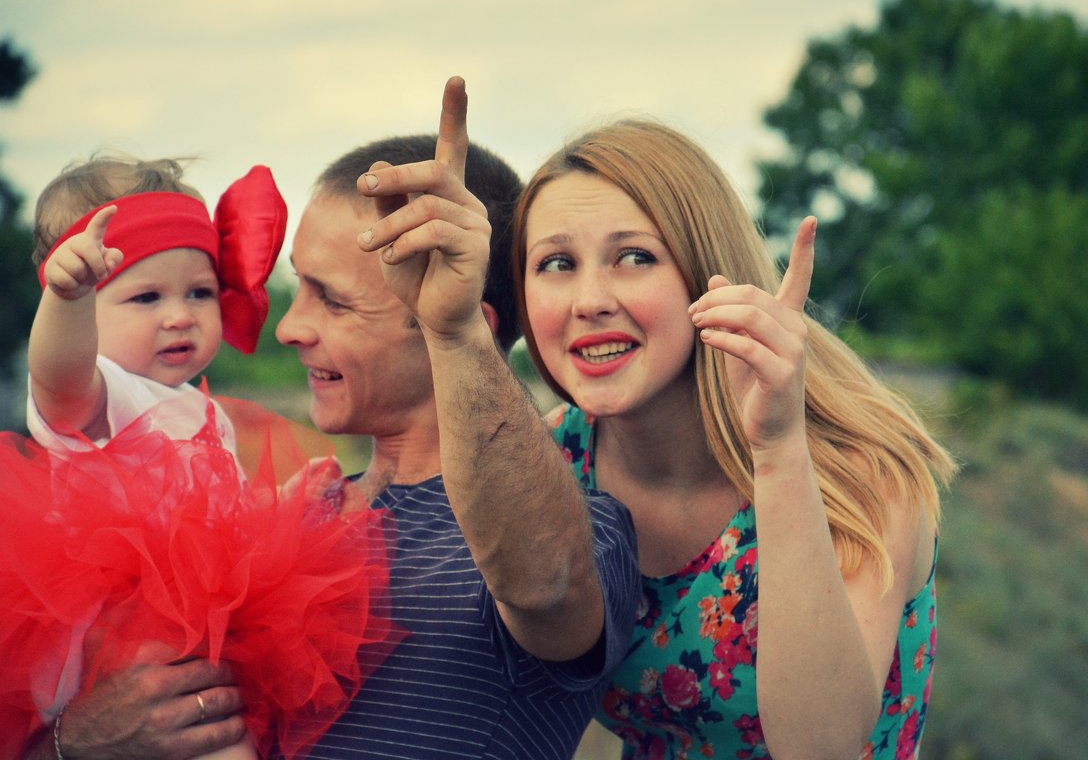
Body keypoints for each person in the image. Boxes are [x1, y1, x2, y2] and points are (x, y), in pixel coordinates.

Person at [511, 119, 959, 760]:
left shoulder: (861, 470)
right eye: (556, 264)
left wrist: (778, 453)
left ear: (707, 274)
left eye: (634, 256)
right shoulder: (549, 464)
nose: (589, 299)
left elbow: (822, 748)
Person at [275, 79, 638, 759]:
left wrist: (454, 332)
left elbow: (543, 584)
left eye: (333, 301)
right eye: (300, 286)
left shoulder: (586, 533)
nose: (289, 328)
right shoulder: (298, 508)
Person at [6, 156, 397, 759]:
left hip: (186, 627)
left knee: (222, 729)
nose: (180, 315)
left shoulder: (200, 409)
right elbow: (56, 370)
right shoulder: (97, 395)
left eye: (199, 292)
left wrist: (285, 504)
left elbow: (225, 519)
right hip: (118, 627)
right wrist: (65, 299)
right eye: (145, 297)